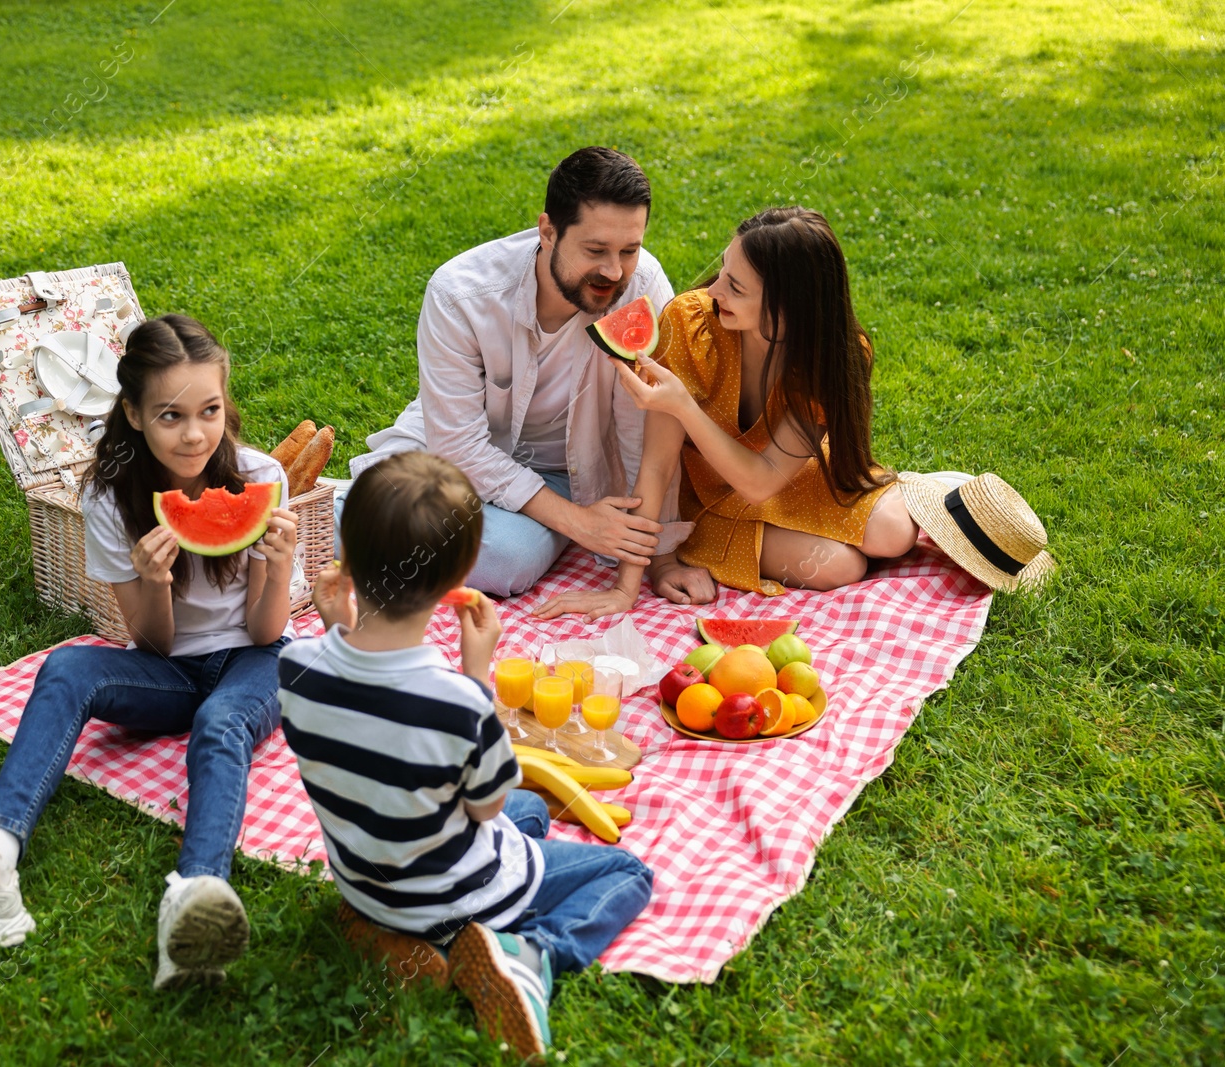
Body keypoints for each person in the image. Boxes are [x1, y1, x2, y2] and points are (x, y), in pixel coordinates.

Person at [0, 315, 298, 989]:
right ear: (134, 414)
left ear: (226, 405)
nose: (195, 434)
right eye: (170, 415)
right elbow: (153, 642)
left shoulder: (263, 475)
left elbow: (264, 631)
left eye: (210, 411)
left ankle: (194, 899)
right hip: (167, 667)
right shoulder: (108, 495)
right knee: (67, 664)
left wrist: (276, 567)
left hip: (255, 657)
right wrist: (154, 581)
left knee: (221, 723)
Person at [280, 451, 654, 1059]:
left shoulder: (297, 666)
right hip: (457, 891)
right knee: (627, 874)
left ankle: (384, 930)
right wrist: (478, 675)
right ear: (457, 584)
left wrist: (334, 629)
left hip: (368, 879)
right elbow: (485, 807)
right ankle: (530, 955)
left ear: (347, 558)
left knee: (532, 810)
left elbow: (356, 705)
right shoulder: (458, 704)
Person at [346, 146, 698, 598]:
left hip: (566, 472)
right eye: (595, 250)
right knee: (432, 521)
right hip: (453, 458)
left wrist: (659, 559)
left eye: (630, 250)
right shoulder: (459, 294)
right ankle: (342, 512)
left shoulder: (642, 285)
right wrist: (579, 524)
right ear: (547, 231)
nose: (614, 271)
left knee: (505, 562)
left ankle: (370, 523)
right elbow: (458, 444)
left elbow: (645, 432)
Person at [537, 207, 921, 621]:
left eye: (735, 287)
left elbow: (763, 479)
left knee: (896, 534)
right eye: (723, 270)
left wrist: (683, 405)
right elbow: (657, 466)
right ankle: (717, 541)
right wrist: (625, 589)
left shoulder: (833, 356)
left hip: (778, 475)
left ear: (788, 310)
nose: (714, 290)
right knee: (841, 566)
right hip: (705, 496)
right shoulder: (689, 324)